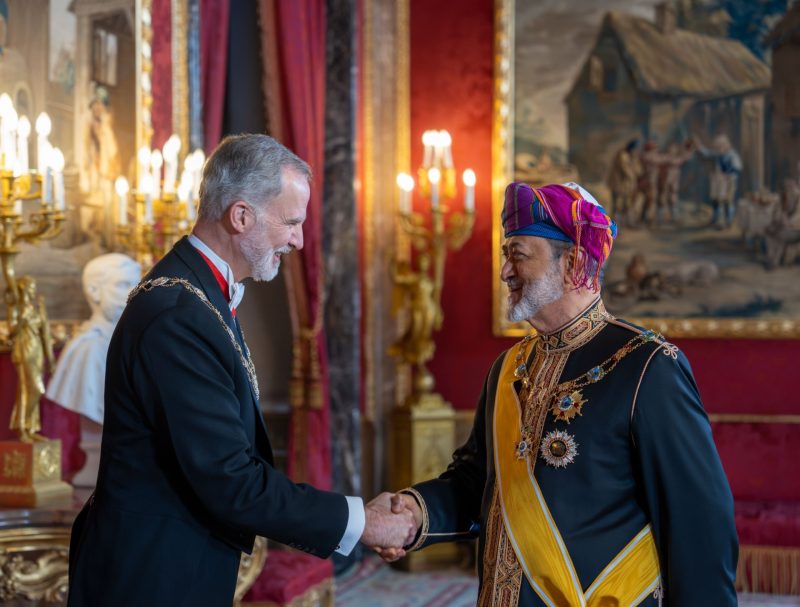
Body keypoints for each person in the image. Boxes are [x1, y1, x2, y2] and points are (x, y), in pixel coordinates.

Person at [67, 134, 414, 606]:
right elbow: (230, 479)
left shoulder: (199, 296)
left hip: (172, 565)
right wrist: (362, 522)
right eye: (291, 222)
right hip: (151, 576)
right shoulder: (177, 314)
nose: (298, 239)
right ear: (241, 216)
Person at [382, 181, 738, 606]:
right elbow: (476, 482)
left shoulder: (648, 367)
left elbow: (699, 529)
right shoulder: (508, 368)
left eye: (518, 255)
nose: (504, 272)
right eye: (504, 255)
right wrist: (414, 513)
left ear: (572, 262)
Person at [46, 253, 141, 487]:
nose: (134, 292)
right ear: (95, 290)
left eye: (136, 283)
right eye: (122, 284)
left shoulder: (130, 342)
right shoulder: (89, 350)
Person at [8, 277, 54, 441]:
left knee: (29, 390)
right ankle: (21, 427)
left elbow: (46, 335)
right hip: (24, 350)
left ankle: (30, 429)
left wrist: (51, 359)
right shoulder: (17, 309)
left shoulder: (37, 309)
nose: (34, 291)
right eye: (31, 287)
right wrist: (22, 319)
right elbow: (11, 332)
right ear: (24, 288)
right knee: (33, 389)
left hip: (37, 352)